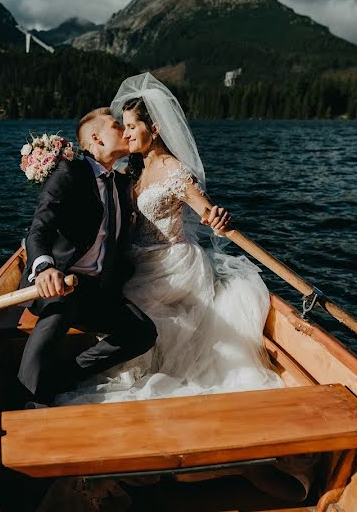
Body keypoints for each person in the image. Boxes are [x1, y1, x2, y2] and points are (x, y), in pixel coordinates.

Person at [55, 73, 284, 405]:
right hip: (135, 259)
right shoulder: (131, 170)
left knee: (132, 302)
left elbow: (204, 207)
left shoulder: (175, 171)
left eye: (132, 126)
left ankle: (113, 369)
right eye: (125, 126)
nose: (126, 132)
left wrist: (217, 216)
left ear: (156, 129)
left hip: (172, 263)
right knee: (115, 294)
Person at [15, 107, 158, 407]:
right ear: (96, 138)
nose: (125, 130)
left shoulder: (120, 184)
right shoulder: (69, 173)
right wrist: (44, 269)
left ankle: (65, 376)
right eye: (117, 125)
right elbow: (39, 229)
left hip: (95, 289)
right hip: (59, 280)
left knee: (143, 332)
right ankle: (28, 399)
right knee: (59, 308)